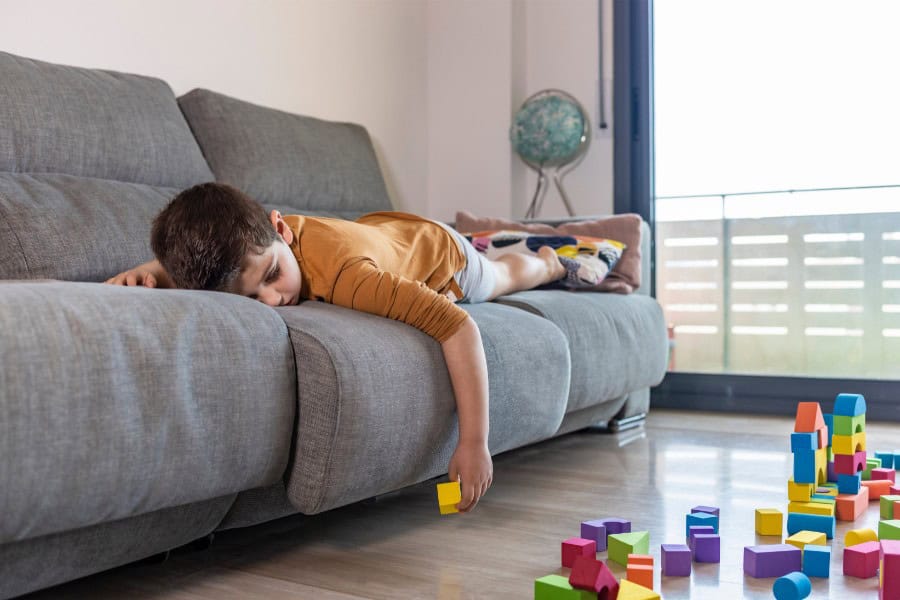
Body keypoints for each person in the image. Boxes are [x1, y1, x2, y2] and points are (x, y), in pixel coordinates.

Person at [106, 182, 567, 513]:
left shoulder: (351, 278)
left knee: (502, 276)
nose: (273, 300)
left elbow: (459, 327)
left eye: (271, 277)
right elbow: (221, 265)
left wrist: (473, 442)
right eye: (249, 300)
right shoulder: (259, 248)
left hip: (442, 252)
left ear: (281, 229)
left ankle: (545, 259)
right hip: (380, 231)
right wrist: (149, 273)